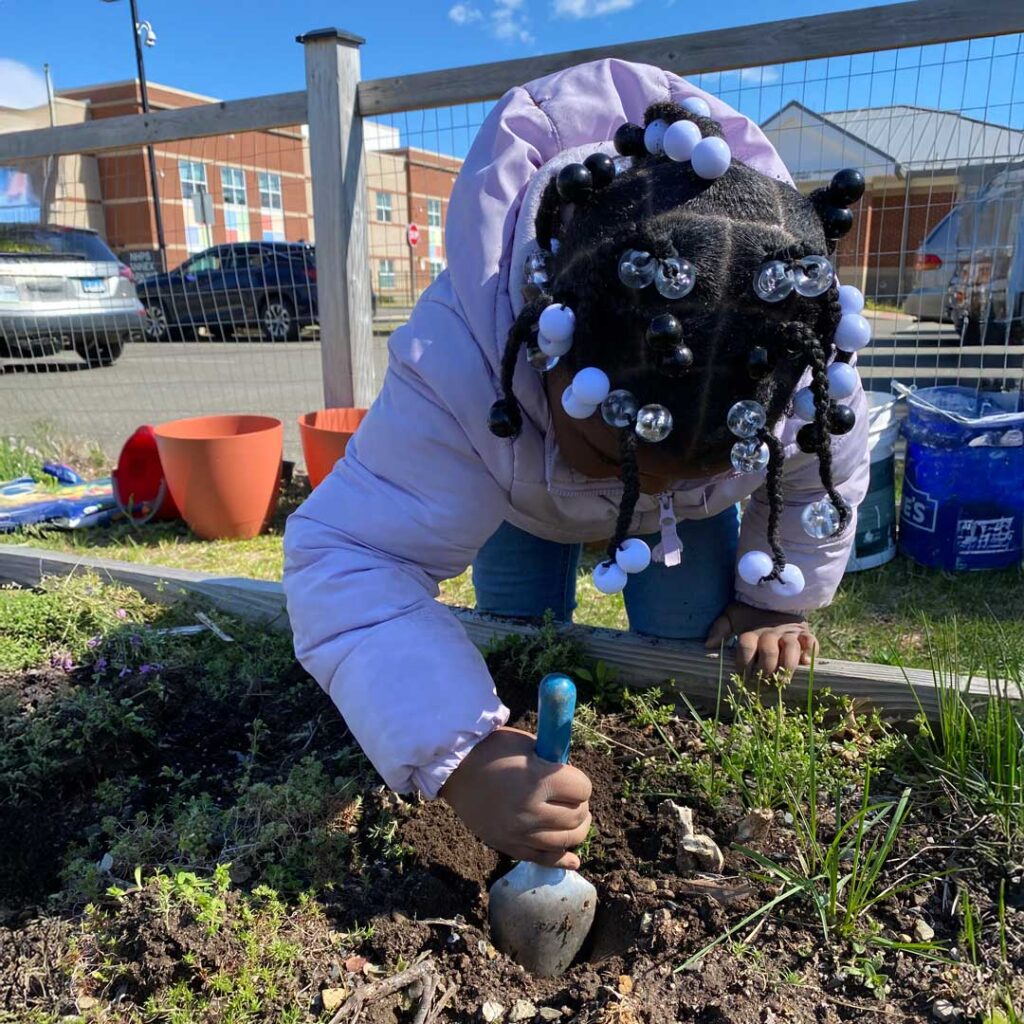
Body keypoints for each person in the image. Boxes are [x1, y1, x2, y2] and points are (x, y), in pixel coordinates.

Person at [283, 60, 871, 871]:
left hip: (690, 527)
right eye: (613, 450)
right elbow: (349, 557)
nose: (646, 487)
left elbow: (820, 471)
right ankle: (512, 747)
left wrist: (780, 597)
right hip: (517, 497)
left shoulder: (792, 345)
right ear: (541, 347)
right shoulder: (460, 360)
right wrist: (462, 755)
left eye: (702, 455)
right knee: (521, 639)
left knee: (682, 656)